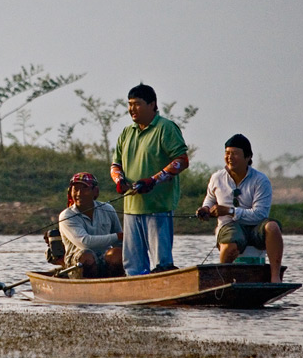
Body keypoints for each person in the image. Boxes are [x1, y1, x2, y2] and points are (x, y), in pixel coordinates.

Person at [110, 83, 189, 275]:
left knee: (162, 264)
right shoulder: (127, 132)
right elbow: (115, 165)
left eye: (137, 104)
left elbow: (182, 160)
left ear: (152, 104)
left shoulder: (165, 128)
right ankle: (137, 300)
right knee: (133, 265)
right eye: (129, 104)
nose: (132, 109)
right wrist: (119, 181)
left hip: (158, 208)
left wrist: (153, 180)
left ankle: (164, 295)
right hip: (131, 208)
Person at [196, 133, 285, 283]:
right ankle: (223, 281)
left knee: (273, 227)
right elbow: (210, 198)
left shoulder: (260, 180)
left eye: (235, 154)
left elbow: (260, 214)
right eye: (227, 153)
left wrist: (230, 211)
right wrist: (205, 209)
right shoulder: (217, 177)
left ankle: (275, 277)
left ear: (248, 157)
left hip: (256, 226)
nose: (230, 157)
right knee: (230, 244)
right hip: (229, 226)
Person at [57, 172, 124, 278]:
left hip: (103, 258)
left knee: (117, 253)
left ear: (95, 191)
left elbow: (120, 242)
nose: (79, 194)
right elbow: (85, 242)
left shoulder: (108, 209)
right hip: (77, 263)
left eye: (84, 189)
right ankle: (88, 288)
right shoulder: (67, 215)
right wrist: (117, 236)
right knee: (87, 256)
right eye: (76, 189)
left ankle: (115, 283)